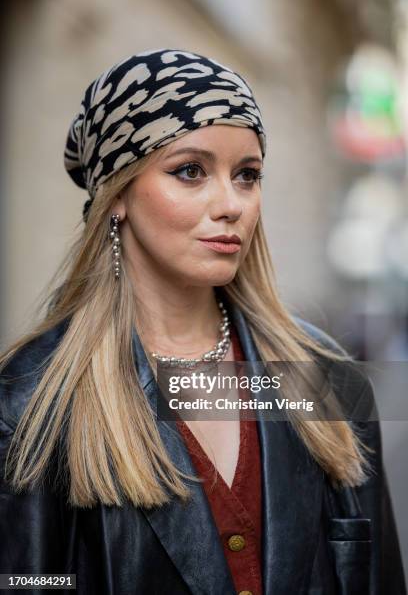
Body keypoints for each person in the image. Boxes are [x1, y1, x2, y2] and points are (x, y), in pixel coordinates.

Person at [0, 48, 405, 595]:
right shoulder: (29, 402)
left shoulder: (324, 377)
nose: (231, 203)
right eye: (190, 171)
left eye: (247, 175)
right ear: (116, 194)